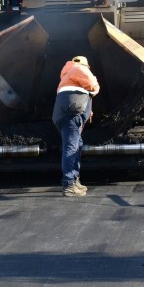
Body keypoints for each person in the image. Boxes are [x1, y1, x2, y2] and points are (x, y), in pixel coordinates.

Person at [52, 55, 100, 197]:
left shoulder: (66, 76)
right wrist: (95, 87)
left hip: (64, 116)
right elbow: (93, 85)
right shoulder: (79, 68)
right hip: (71, 116)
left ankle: (74, 180)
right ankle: (69, 185)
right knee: (71, 147)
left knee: (76, 145)